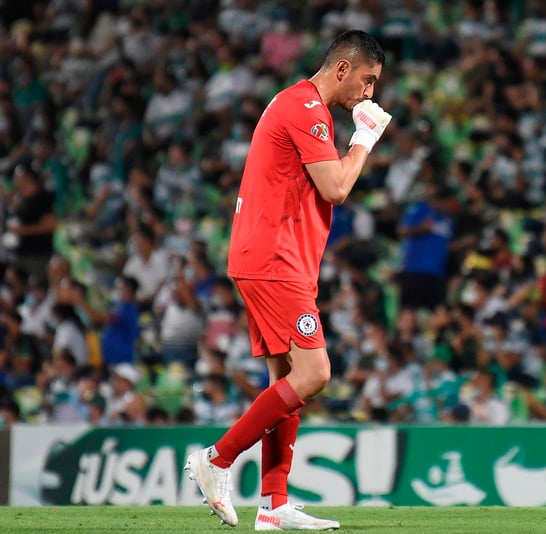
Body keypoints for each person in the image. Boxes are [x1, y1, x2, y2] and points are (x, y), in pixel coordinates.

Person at [184, 30, 391, 531]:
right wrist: (364, 137)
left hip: (276, 256)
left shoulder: (295, 104)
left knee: (286, 380)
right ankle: (216, 460)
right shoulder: (305, 109)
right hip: (275, 259)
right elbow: (337, 187)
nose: (368, 94)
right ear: (342, 69)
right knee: (315, 373)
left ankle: (273, 506)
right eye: (366, 81)